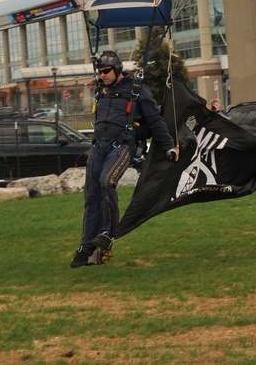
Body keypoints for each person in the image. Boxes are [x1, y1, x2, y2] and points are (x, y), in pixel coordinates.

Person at [71, 51, 177, 268]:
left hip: (122, 145)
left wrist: (168, 147)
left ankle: (108, 233)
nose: (102, 76)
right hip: (99, 145)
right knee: (91, 194)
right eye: (99, 72)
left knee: (106, 181)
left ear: (117, 69)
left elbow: (155, 121)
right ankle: (87, 246)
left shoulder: (137, 90)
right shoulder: (102, 90)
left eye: (106, 71)